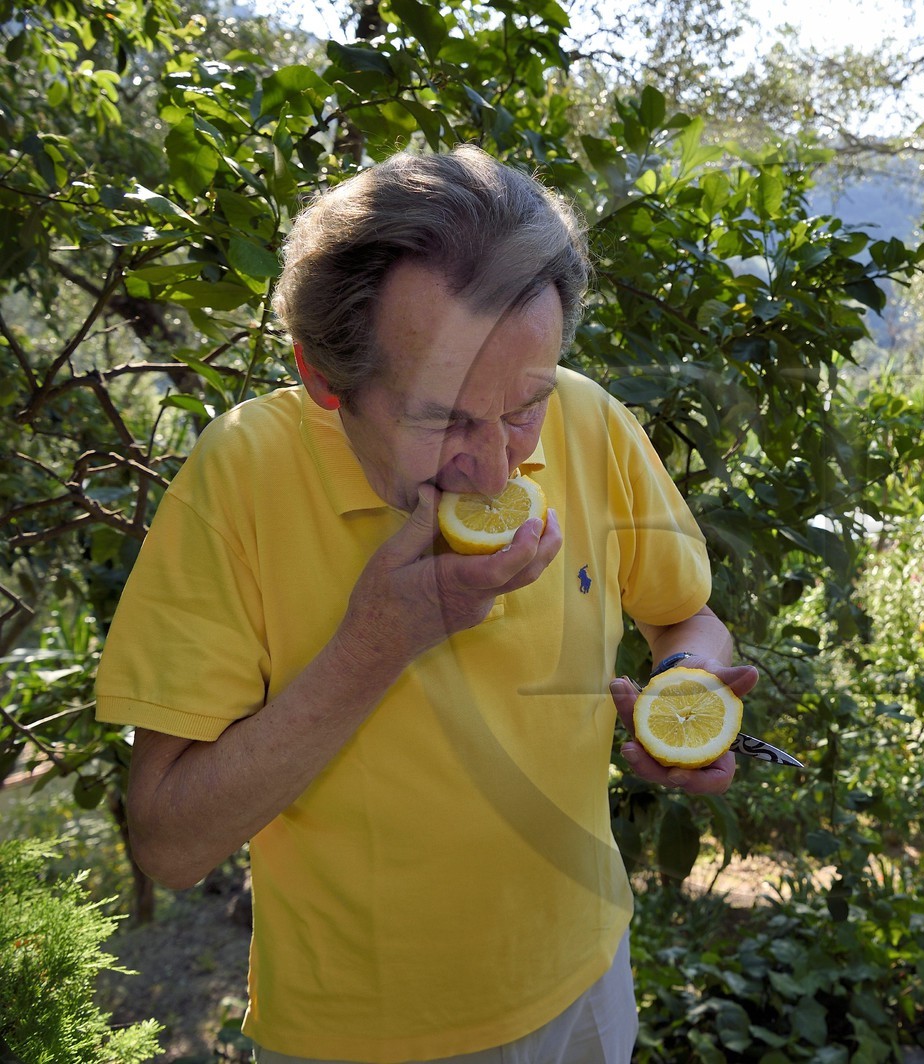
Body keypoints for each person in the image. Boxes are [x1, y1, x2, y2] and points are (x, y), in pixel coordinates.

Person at [94, 144, 756, 1063]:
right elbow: (167, 845)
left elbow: (688, 618)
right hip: (361, 1039)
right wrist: (377, 643)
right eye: (441, 418)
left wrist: (686, 692)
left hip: (587, 981)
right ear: (325, 379)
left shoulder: (592, 419)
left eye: (525, 406)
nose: (495, 466)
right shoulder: (241, 477)